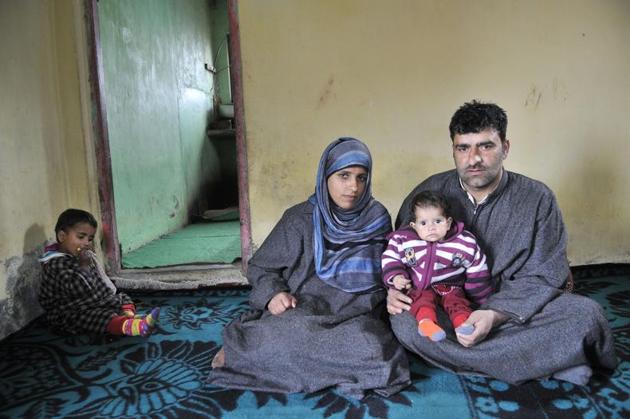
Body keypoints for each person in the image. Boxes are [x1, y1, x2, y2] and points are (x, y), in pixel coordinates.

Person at [387, 101, 617, 386]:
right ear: (454, 151)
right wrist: (395, 289)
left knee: (586, 315)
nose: (473, 159)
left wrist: (494, 315)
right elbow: (401, 254)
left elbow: (546, 273)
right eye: (463, 148)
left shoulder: (537, 198)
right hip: (444, 303)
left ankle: (505, 359)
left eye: (486, 146)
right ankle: (548, 360)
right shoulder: (428, 192)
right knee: (405, 323)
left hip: (514, 308)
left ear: (505, 148)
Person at [208, 137, 410, 399]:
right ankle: (247, 349)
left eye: (361, 177)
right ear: (325, 176)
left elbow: (390, 264)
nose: (353, 187)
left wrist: (394, 285)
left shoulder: (377, 217)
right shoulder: (299, 218)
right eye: (344, 176)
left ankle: (254, 357)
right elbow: (261, 266)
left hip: (358, 311)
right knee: (289, 335)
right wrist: (273, 295)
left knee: (375, 352)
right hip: (304, 308)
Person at [382, 190, 493, 342]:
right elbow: (391, 258)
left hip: (450, 287)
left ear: (448, 223)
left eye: (437, 221)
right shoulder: (403, 240)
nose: (431, 228)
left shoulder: (464, 243)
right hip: (419, 288)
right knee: (421, 301)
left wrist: (483, 302)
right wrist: (396, 277)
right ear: (414, 226)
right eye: (423, 223)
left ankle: (463, 325)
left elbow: (478, 271)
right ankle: (427, 324)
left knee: (458, 303)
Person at [39, 209, 160, 337]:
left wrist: (108, 298)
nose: (86, 243)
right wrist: (84, 267)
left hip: (93, 302)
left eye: (90, 238)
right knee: (99, 317)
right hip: (70, 312)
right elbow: (78, 291)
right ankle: (131, 326)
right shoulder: (55, 263)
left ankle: (129, 317)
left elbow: (98, 282)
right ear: (62, 236)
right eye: (81, 237)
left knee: (122, 297)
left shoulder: (80, 256)